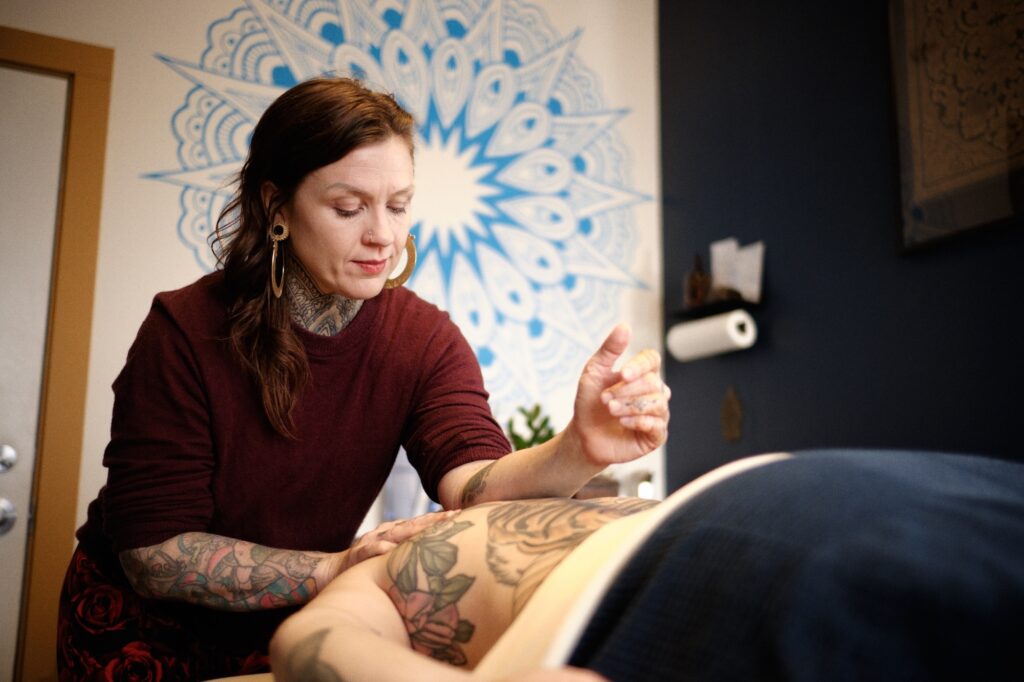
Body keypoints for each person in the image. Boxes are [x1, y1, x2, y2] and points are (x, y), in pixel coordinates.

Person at [57, 77, 670, 680]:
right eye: (349, 208)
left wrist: (577, 450)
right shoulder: (184, 330)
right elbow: (153, 554)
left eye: (398, 205)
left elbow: (472, 484)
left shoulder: (424, 339)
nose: (383, 235)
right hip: (140, 629)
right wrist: (330, 569)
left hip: (283, 620)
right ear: (276, 206)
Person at [270, 450, 1024, 682]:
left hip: (773, 493)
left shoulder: (505, 493)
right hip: (697, 565)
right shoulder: (377, 564)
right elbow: (307, 644)